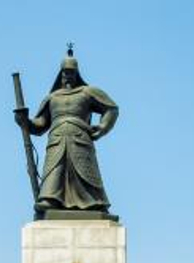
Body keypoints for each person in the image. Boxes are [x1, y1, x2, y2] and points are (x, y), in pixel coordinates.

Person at [16, 48, 119, 214]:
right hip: (56, 139)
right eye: (65, 72)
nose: (68, 75)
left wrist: (103, 127)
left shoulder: (87, 92)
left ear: (77, 74)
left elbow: (111, 108)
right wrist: (25, 121)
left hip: (80, 138)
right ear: (61, 74)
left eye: (72, 72)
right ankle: (50, 199)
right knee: (54, 170)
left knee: (85, 171)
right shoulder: (52, 97)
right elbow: (40, 124)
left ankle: (93, 202)